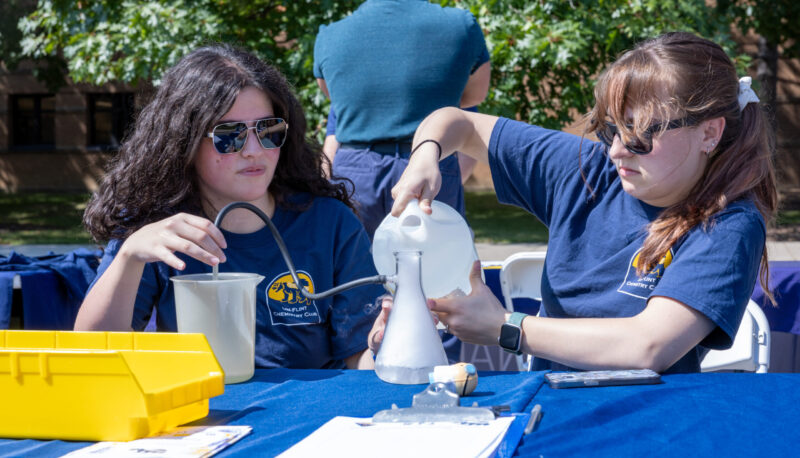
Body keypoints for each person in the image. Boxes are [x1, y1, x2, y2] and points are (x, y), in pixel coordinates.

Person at [378, 32, 778, 374]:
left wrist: (506, 326)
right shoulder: (588, 167)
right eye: (609, 129)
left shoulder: (728, 223)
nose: (618, 151)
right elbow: (458, 123)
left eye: (639, 135)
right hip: (548, 408)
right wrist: (425, 156)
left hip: (647, 421)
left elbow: (648, 346)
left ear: (709, 133)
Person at [76, 44, 383, 370]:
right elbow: (91, 353)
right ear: (186, 143)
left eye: (268, 130)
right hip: (199, 413)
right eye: (229, 135)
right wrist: (129, 256)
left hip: (312, 416)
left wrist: (383, 348)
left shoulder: (330, 224)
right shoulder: (158, 232)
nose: (253, 150)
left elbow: (358, 357)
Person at [313, 0, 491, 238]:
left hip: (356, 171)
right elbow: (475, 96)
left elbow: (333, 96)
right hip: (429, 158)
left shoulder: (329, 34)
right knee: (436, 266)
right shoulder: (462, 24)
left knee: (355, 268)